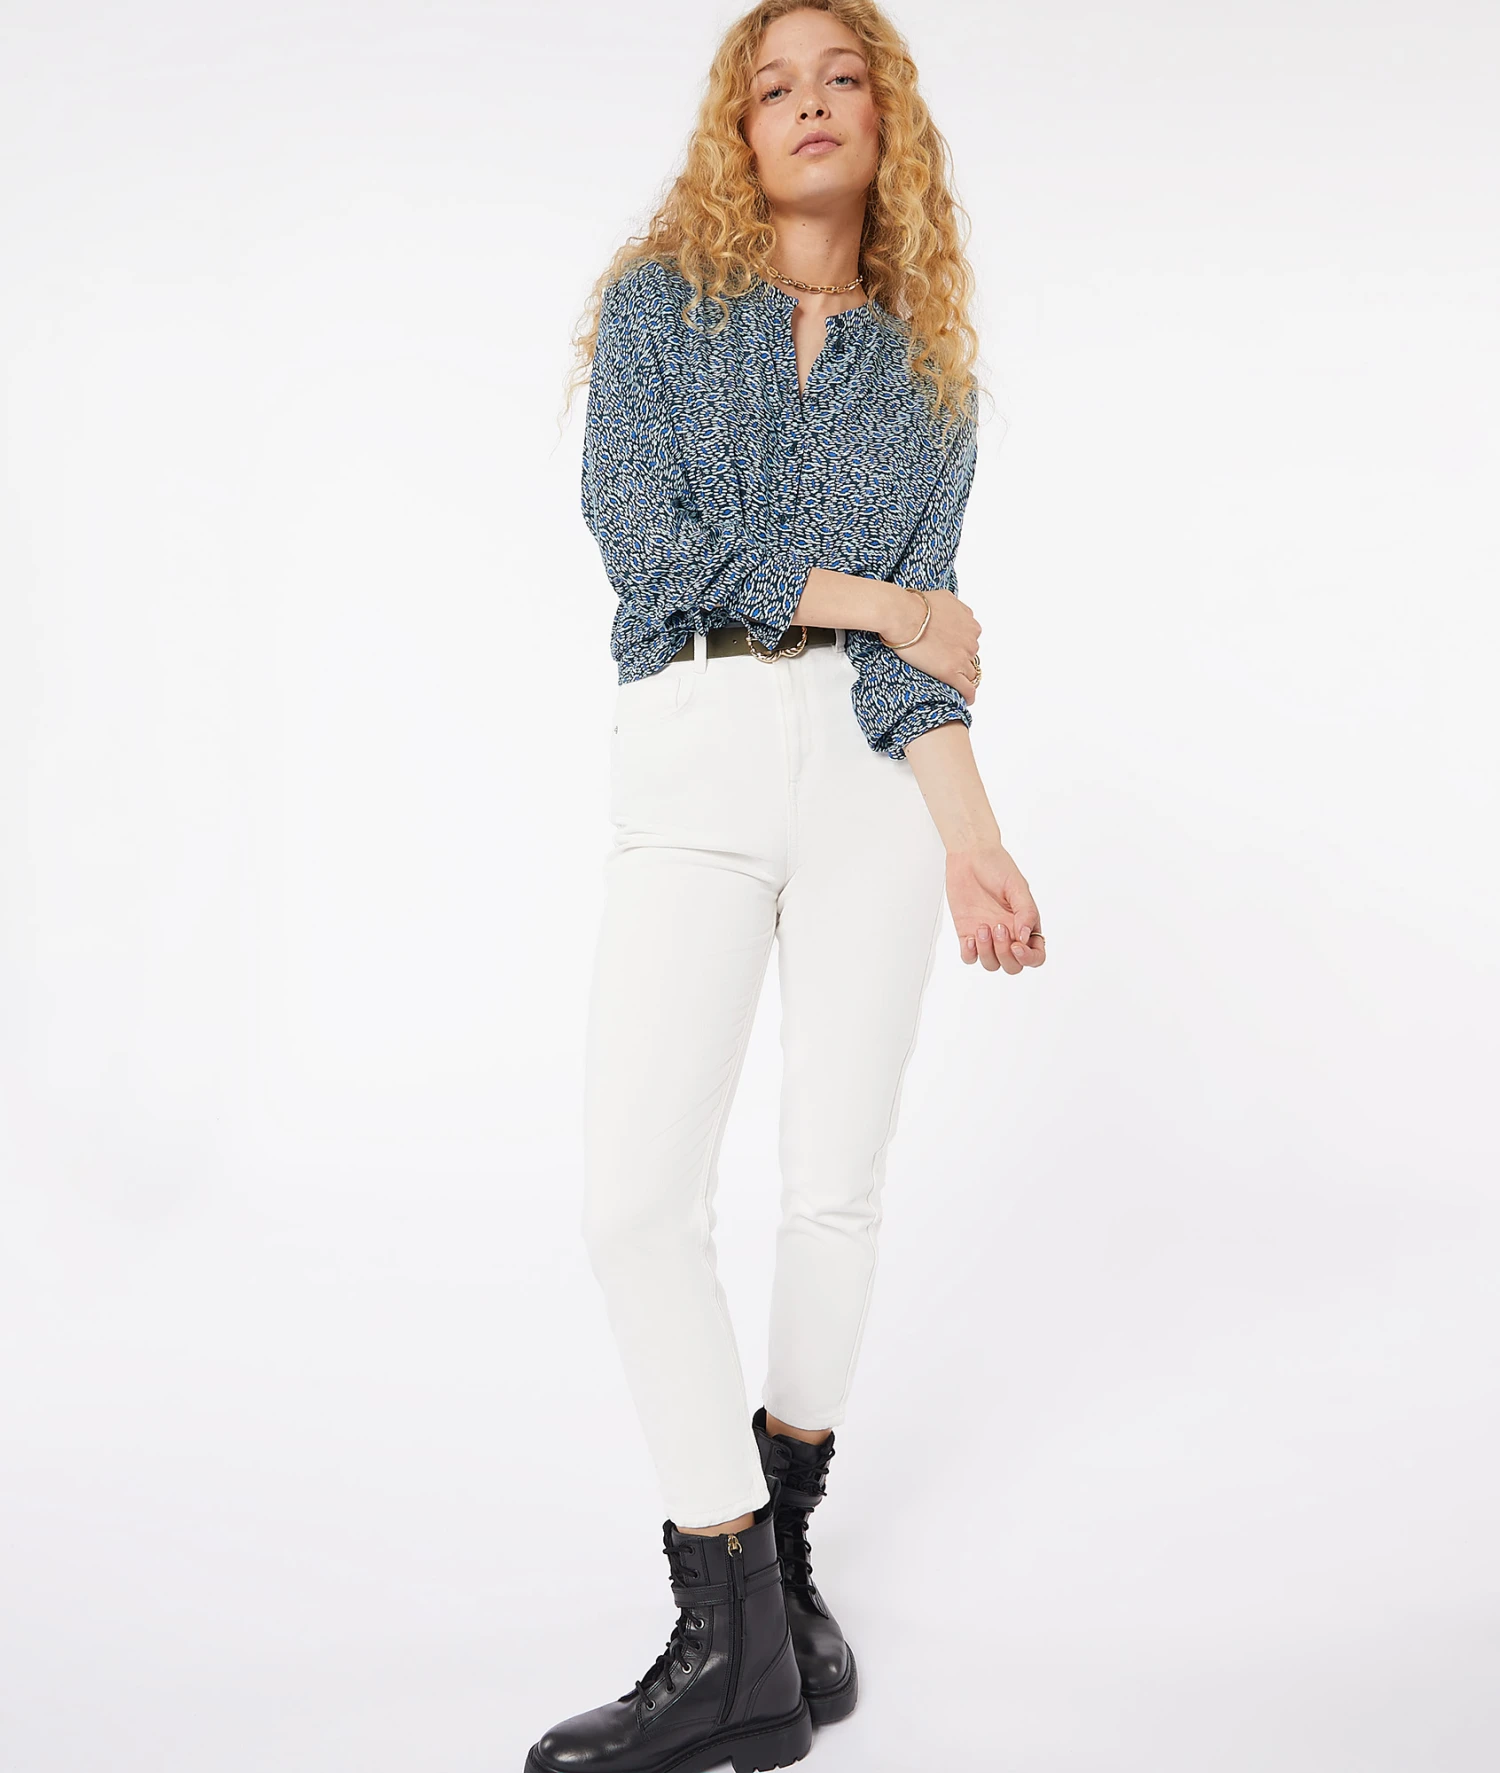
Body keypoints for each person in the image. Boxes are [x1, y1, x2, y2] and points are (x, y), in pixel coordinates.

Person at [528, 3, 1044, 1767]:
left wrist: (975, 837)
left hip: (868, 780)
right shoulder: (662, 307)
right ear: (736, 132)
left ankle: (775, 1586)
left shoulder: (928, 378)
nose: (810, 104)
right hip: (693, 739)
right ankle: (729, 1607)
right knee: (633, 1203)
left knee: (835, 1189)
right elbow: (650, 543)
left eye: (842, 79)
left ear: (885, 125)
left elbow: (919, 675)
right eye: (774, 85)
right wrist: (896, 601)